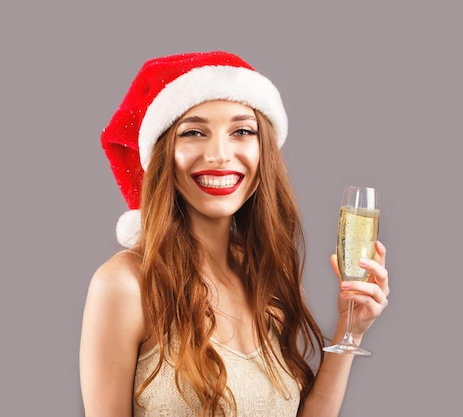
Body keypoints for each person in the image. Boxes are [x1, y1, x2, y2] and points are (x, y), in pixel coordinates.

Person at [79, 51, 389, 417]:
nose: (220, 155)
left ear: (264, 152)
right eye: (194, 132)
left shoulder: (260, 274)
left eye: (242, 131)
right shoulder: (124, 285)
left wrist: (349, 331)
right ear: (162, 155)